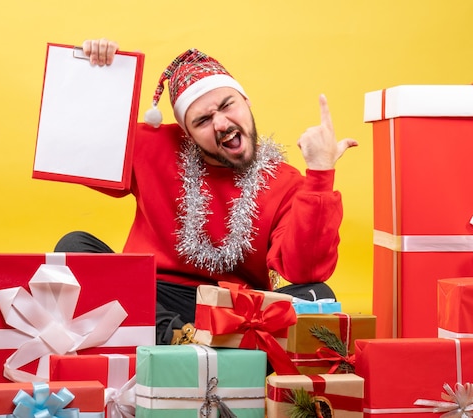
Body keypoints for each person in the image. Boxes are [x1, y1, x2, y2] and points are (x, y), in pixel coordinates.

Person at [55, 38, 358, 345]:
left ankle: (205, 349)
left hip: (236, 308)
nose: (222, 124)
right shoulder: (152, 145)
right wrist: (98, 76)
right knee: (75, 245)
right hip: (151, 296)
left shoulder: (285, 182)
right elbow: (74, 150)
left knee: (316, 295)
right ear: (186, 133)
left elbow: (304, 270)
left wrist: (319, 174)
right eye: (202, 120)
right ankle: (180, 342)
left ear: (246, 100)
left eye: (228, 105)